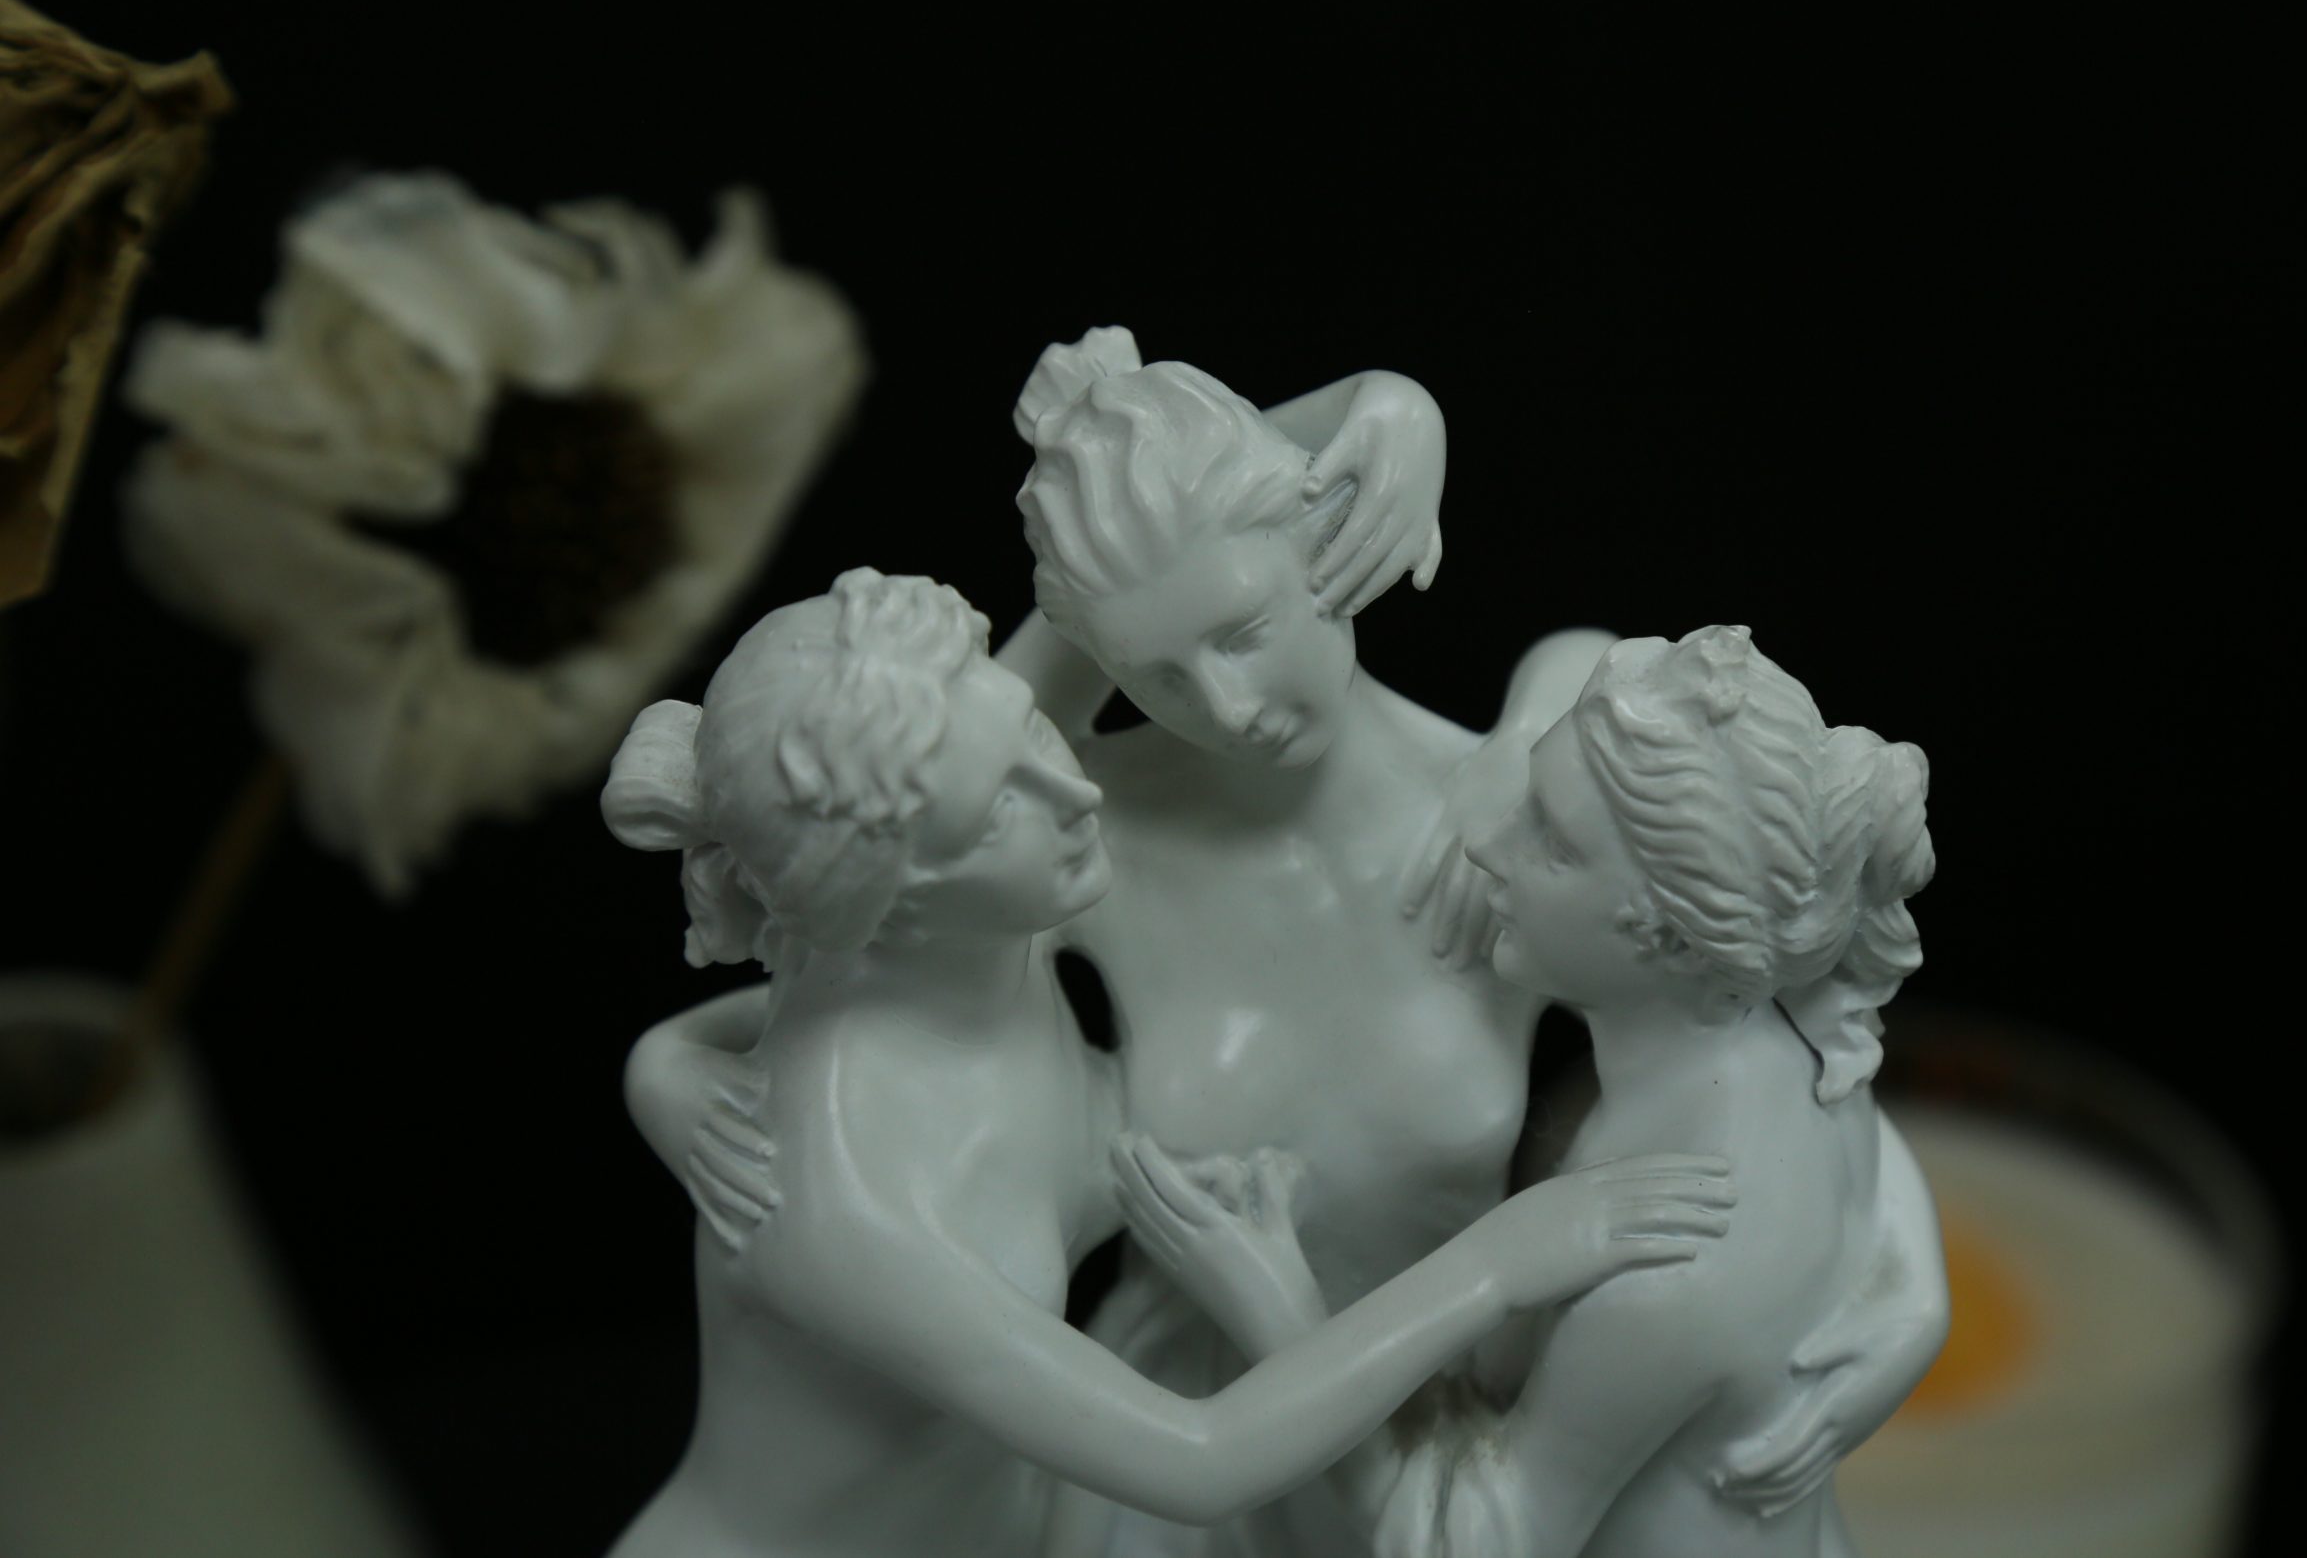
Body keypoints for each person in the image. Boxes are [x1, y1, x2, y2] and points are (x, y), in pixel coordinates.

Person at [631, 335, 1944, 1553]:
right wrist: (666, 1067)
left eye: (1245, 632)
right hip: (1171, 1458)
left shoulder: (1510, 832)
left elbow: (1746, 999)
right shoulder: (1076, 835)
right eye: (1153, 673)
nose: (1226, 706)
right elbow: (912, 793)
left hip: (1429, 1435)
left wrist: (1899, 1273)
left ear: (1324, 542)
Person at [596, 567, 1734, 1558]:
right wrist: (1499, 1261)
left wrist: (1396, 419)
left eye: (1031, 728)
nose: (1075, 792)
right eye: (994, 814)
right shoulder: (837, 1198)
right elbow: (1199, 1457)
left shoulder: (965, 943)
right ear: (893, 903)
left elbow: (1127, 547)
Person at [1114, 626, 1947, 1558]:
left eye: (1550, 840)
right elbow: (1875, 1166)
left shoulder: (1669, 1270)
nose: (1481, 840)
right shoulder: (1797, 1057)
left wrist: (1278, 1310)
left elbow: (1466, 1542)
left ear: (1667, 936)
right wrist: (1920, 1301)